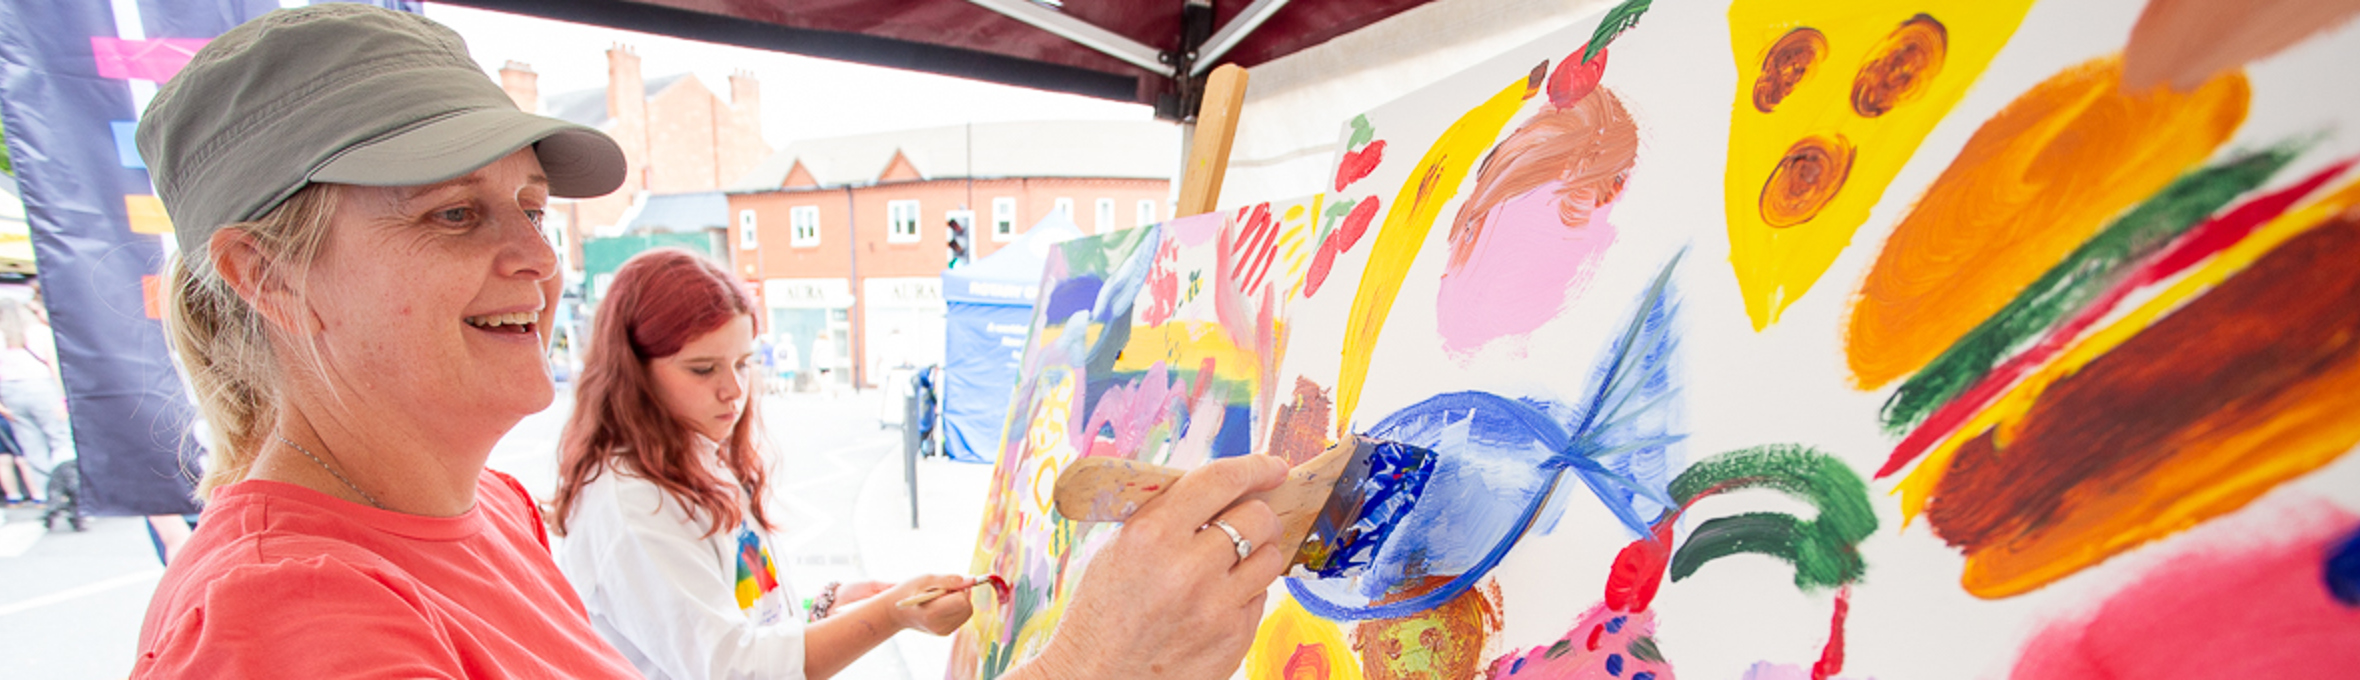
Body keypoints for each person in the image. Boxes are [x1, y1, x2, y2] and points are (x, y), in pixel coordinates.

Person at [130, 5, 1288, 679]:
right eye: (451, 213)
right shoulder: (277, 617)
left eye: (531, 204)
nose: (535, 258)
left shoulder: (488, 511)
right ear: (266, 276)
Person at [550, 249, 968, 679]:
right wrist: (890, 615)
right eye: (703, 369)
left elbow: (738, 609)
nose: (733, 389)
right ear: (632, 372)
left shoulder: (692, 457)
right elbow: (736, 668)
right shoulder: (632, 503)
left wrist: (823, 605)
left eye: (743, 363)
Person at [0, 296, 76, 524]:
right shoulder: (40, 332)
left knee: (32, 446)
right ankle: (71, 490)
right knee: (61, 440)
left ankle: (46, 494)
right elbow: (55, 364)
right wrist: (64, 398)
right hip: (43, 388)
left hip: (10, 393)